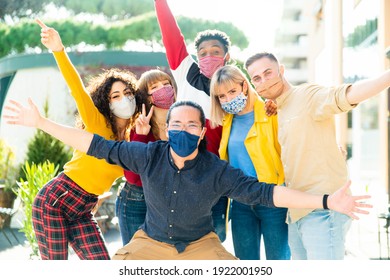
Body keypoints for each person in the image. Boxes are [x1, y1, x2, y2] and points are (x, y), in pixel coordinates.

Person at [4, 98, 371, 260]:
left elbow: (267, 194)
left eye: (190, 125)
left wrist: (326, 201)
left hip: (200, 245)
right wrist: (40, 123)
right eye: (175, 124)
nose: (181, 129)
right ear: (167, 130)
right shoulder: (148, 154)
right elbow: (96, 145)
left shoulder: (217, 170)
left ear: (200, 133)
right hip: (150, 244)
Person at [244, 51, 390, 260]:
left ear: (281, 70)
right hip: (297, 212)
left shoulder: (307, 95)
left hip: (325, 212)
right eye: (256, 78)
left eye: (268, 73)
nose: (264, 81)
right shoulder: (280, 107)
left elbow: (348, 95)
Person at [32, 19, 141, 259]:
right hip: (55, 201)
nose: (123, 98)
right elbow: (77, 88)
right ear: (107, 102)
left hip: (83, 210)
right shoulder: (97, 122)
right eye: (116, 95)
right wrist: (58, 50)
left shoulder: (136, 140)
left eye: (128, 93)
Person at [209, 65, 289, 260]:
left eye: (232, 91)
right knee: (245, 264)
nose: (228, 99)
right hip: (240, 202)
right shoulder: (226, 121)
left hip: (273, 199)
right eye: (222, 96)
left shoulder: (272, 111)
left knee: (279, 262)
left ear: (244, 86)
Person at [116, 69, 176, 245]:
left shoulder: (182, 122)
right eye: (155, 87)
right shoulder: (139, 127)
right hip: (136, 199)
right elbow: (133, 177)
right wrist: (142, 136)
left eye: (166, 84)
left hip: (165, 201)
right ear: (148, 97)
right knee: (136, 258)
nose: (163, 89)